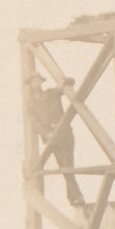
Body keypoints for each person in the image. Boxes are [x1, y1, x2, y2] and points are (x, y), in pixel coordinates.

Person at [25, 74, 83, 206]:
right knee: (64, 166)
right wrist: (46, 133)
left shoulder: (51, 93)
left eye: (38, 81)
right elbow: (35, 123)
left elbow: (68, 84)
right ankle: (75, 196)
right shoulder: (31, 104)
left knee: (68, 165)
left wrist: (64, 81)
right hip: (52, 138)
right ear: (30, 85)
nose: (37, 84)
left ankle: (75, 196)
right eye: (34, 82)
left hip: (65, 134)